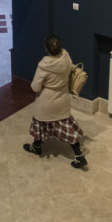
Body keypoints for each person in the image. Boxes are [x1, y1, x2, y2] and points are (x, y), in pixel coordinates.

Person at [23, 35, 87, 169]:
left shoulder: (43, 66)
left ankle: (36, 147)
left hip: (46, 102)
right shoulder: (66, 57)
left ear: (46, 48)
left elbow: (35, 87)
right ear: (60, 46)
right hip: (62, 100)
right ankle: (78, 155)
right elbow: (70, 68)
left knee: (39, 124)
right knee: (66, 127)